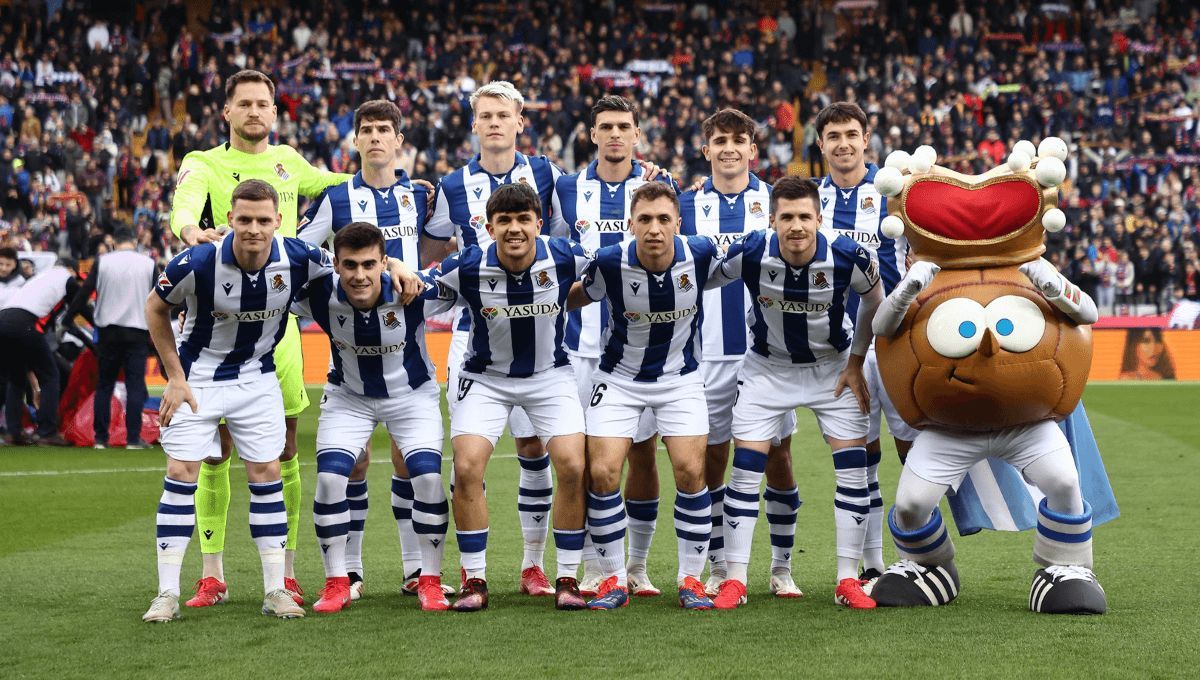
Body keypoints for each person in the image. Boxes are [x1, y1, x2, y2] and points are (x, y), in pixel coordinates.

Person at [169, 69, 350, 609]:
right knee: (213, 453)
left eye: (263, 104)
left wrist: (398, 180)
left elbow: (339, 183)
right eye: (243, 103)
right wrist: (190, 233)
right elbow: (183, 206)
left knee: (285, 448)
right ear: (226, 112)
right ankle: (212, 573)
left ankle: (286, 573)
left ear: (274, 112)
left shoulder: (289, 161)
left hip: (280, 323)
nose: (254, 111)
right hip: (216, 323)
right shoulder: (202, 163)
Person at [141, 180, 333, 622]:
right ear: (230, 219)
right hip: (198, 378)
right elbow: (155, 307)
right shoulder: (198, 261)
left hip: (256, 378)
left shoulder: (299, 257)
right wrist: (174, 376)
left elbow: (344, 267)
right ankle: (166, 593)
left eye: (263, 220)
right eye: (244, 219)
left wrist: (396, 264)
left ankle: (274, 590)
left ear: (278, 222)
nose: (253, 229)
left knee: (267, 473)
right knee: (181, 473)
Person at [704, 176, 884, 610]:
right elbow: (702, 277)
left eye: (805, 216)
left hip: (833, 370)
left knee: (854, 470)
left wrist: (857, 362)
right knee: (746, 470)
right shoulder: (750, 251)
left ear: (819, 219)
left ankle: (847, 579)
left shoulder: (848, 255)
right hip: (767, 370)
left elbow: (875, 300)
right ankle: (735, 579)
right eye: (787, 217)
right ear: (772, 220)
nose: (796, 226)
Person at [298, 99, 452, 601]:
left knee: (417, 468)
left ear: (399, 140)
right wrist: (375, 270)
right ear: (356, 141)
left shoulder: (422, 196)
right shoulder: (336, 197)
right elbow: (303, 251)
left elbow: (444, 247)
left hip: (407, 350)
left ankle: (417, 572)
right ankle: (349, 573)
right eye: (367, 130)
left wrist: (409, 274)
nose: (376, 138)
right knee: (350, 468)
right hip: (351, 364)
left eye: (385, 130)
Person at [425, 81, 565, 596]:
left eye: (503, 115)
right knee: (470, 457)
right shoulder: (451, 186)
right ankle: (472, 572)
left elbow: (578, 228)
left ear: (519, 120)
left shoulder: (549, 174)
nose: (494, 123)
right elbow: (431, 240)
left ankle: (533, 565)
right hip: (472, 337)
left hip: (539, 331)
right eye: (485, 115)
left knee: (534, 448)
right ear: (474, 123)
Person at [430, 183, 590, 612]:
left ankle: (568, 578)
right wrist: (394, 270)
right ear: (489, 226)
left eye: (523, 220)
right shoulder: (465, 265)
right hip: (485, 378)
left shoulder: (565, 255)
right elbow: (417, 293)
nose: (514, 229)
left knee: (574, 465)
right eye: (505, 221)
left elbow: (609, 274)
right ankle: (475, 580)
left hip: (548, 375)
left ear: (539, 223)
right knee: (466, 467)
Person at [546, 94, 679, 597]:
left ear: (637, 134)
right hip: (576, 348)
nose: (616, 134)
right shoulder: (565, 190)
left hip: (638, 351)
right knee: (581, 462)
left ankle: (637, 566)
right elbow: (554, 253)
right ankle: (592, 566)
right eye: (606, 126)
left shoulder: (657, 189)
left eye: (625, 126)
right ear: (593, 134)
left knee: (642, 456)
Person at [578, 182, 729, 611]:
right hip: (619, 378)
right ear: (630, 225)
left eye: (664, 219)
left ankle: (690, 580)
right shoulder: (608, 262)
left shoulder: (699, 254)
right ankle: (613, 580)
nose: (655, 229)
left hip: (680, 378)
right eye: (644, 219)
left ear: (678, 224)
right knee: (604, 472)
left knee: (690, 471)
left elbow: (750, 264)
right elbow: (572, 295)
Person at [679, 108, 802, 598]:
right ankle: (717, 564)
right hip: (703, 353)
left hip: (764, 354)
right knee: (712, 458)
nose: (729, 148)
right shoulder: (682, 206)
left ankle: (781, 566)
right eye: (719, 140)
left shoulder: (777, 203)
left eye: (739, 140)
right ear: (705, 149)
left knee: (778, 453)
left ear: (753, 149)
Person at [814, 101, 914, 586]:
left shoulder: (895, 191)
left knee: (911, 451)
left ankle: (920, 556)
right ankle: (873, 562)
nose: (843, 144)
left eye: (851, 134)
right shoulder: (811, 201)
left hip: (894, 341)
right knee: (862, 457)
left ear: (866, 137)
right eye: (833, 136)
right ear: (821, 144)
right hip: (839, 350)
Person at [66, 228, 157, 449]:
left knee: (104, 384)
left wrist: (69, 317)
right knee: (135, 384)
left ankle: (100, 438)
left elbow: (85, 291)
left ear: (114, 243)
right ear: (134, 242)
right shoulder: (148, 263)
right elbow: (159, 297)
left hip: (108, 332)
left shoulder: (103, 261)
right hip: (137, 331)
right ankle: (133, 439)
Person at [0, 257, 81, 446]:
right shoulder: (65, 278)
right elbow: (80, 306)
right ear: (70, 269)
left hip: (3, 319)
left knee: (16, 378)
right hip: (25, 323)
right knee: (50, 376)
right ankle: (46, 431)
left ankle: (14, 432)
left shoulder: (39, 277)